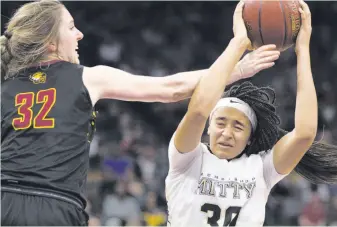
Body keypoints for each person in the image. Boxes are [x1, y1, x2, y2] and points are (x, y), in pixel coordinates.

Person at [0, 0, 279, 226]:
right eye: (71, 27)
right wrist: (238, 69)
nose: (79, 34)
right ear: (50, 42)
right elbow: (171, 89)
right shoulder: (89, 77)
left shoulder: (5, 86)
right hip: (55, 206)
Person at [165, 1, 337, 226]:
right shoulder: (186, 159)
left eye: (238, 127)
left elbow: (304, 134)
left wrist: (302, 50)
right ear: (208, 127)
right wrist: (238, 43)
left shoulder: (261, 169)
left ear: (251, 138)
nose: (226, 132)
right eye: (220, 123)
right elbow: (198, 111)